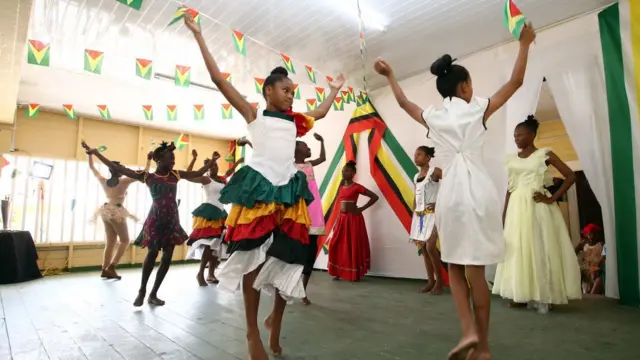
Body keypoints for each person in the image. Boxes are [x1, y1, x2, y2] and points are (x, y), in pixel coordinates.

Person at [184, 14, 344, 360]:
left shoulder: (295, 122)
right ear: (268, 90)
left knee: (292, 260)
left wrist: (332, 92)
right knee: (253, 262)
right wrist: (199, 36)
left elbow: (322, 111)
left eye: (293, 92)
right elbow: (217, 79)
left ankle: (275, 320)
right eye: (285, 90)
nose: (291, 96)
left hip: (287, 193)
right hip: (258, 191)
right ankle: (252, 332)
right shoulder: (255, 116)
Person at [374, 23, 536, 360]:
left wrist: (390, 75)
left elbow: (405, 104)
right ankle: (484, 345)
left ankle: (467, 333)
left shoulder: (435, 116)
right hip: (477, 191)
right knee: (476, 270)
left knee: (455, 267)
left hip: (450, 197)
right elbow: (516, 82)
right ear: (464, 86)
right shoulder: (478, 107)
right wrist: (525, 44)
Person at [82, 140, 216, 306]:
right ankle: (142, 290)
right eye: (170, 158)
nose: (173, 161)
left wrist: (212, 161)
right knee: (152, 254)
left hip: (172, 220)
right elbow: (117, 168)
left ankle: (153, 293)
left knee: (167, 257)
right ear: (159, 160)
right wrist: (96, 153)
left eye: (174, 158)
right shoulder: (147, 176)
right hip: (155, 219)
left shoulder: (176, 174)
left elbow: (199, 172)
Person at [492, 115, 581, 314]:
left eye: (520, 135)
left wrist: (552, 198)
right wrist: (504, 214)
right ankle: (520, 293)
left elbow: (571, 175)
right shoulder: (512, 159)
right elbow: (510, 187)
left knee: (539, 247)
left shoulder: (544, 154)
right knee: (519, 249)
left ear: (532, 135)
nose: (516, 138)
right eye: (514, 136)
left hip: (537, 206)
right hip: (516, 207)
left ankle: (543, 293)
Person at [88, 151, 151, 279]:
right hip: (116, 212)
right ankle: (112, 267)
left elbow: (92, 167)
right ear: (117, 171)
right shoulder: (124, 181)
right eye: (121, 168)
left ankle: (104, 269)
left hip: (105, 211)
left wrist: (89, 155)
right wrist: (149, 160)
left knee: (110, 242)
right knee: (125, 240)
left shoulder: (103, 181)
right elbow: (144, 173)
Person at [327, 161, 379, 281]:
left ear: (353, 173)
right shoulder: (340, 188)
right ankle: (338, 270)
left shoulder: (357, 187)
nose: (344, 173)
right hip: (342, 219)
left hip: (353, 219)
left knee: (352, 245)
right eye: (343, 171)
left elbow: (375, 197)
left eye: (347, 171)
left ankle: (354, 273)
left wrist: (361, 208)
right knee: (337, 243)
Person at [183, 149, 229, 286]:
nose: (215, 167)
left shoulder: (221, 180)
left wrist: (238, 162)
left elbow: (229, 173)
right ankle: (200, 273)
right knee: (210, 245)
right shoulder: (206, 179)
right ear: (208, 168)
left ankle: (211, 274)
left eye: (216, 165)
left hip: (220, 214)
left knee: (217, 245)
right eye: (212, 166)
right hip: (209, 212)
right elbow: (188, 176)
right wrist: (194, 159)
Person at [294, 133, 327, 305]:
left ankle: (303, 291)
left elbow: (322, 158)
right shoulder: (290, 167)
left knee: (309, 254)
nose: (308, 149)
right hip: (297, 214)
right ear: (296, 150)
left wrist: (321, 142)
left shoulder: (308, 164)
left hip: (312, 215)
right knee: (294, 253)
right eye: (305, 146)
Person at [409, 146, 444, 294]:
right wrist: (414, 210)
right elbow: (416, 195)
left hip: (433, 214)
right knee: (423, 248)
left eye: (419, 154)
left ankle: (440, 283)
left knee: (430, 247)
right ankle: (431, 281)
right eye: (415, 154)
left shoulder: (434, 171)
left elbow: (451, 183)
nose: (415, 157)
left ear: (428, 157)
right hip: (420, 215)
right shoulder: (416, 176)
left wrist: (440, 202)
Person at [575, 223, 604, 294]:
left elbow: (604, 256)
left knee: (593, 273)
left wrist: (600, 262)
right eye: (588, 233)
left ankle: (592, 293)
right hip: (586, 269)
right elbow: (574, 252)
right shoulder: (584, 245)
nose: (590, 236)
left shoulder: (601, 244)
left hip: (597, 268)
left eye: (592, 233)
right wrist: (579, 245)